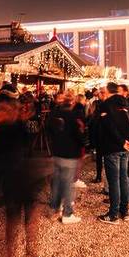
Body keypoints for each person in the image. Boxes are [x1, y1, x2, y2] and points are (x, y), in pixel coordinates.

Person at [0, 83, 46, 257]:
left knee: (19, 233)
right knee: (24, 232)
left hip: (17, 181)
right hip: (23, 180)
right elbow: (29, 140)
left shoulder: (1, 125)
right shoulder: (13, 124)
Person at [97, 82, 129, 224]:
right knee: (123, 178)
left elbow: (109, 127)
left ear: (108, 91)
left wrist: (121, 142)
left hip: (113, 146)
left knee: (114, 181)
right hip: (126, 147)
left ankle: (113, 214)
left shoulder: (106, 105)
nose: (101, 93)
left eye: (102, 91)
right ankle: (124, 211)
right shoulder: (125, 103)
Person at [47, 92, 85, 224]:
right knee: (68, 185)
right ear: (72, 102)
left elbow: (48, 130)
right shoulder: (72, 117)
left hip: (57, 152)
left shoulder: (54, 114)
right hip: (69, 154)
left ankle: (53, 209)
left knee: (57, 182)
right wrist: (83, 143)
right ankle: (67, 213)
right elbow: (78, 136)